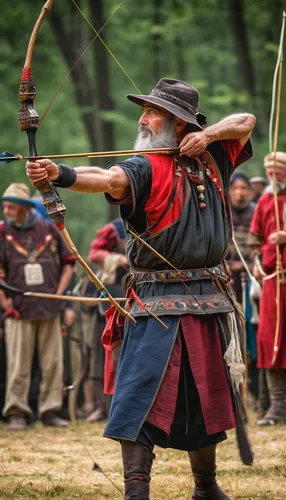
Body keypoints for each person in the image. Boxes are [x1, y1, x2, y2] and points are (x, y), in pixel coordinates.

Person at [26, 78, 256, 500]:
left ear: (179, 122)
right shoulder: (144, 166)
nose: (142, 118)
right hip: (156, 304)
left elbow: (246, 121)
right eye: (145, 110)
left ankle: (206, 488)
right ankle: (137, 493)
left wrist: (208, 135)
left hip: (209, 298)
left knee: (207, 401)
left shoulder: (213, 157)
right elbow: (107, 178)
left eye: (153, 112)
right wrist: (61, 173)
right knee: (139, 398)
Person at [0, 183, 75, 431]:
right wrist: (5, 302)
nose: (6, 210)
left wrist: (59, 295)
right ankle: (17, 412)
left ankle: (50, 410)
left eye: (10, 206)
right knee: (18, 364)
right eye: (6, 206)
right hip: (18, 307)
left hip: (49, 306)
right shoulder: (2, 232)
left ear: (23, 208)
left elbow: (68, 262)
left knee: (53, 363)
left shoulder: (48, 228)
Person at [249, 151, 286, 426]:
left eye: (279, 170)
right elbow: (254, 239)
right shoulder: (264, 200)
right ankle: (276, 407)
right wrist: (256, 261)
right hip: (272, 281)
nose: (274, 175)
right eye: (270, 171)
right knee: (271, 339)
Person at [83, 218, 128, 422]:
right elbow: (94, 254)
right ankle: (104, 407)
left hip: (140, 299)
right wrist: (117, 260)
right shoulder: (115, 228)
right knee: (104, 356)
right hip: (111, 300)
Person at [226, 173, 258, 408]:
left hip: (253, 281)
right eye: (236, 188)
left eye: (244, 188)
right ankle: (234, 395)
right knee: (230, 335)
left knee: (252, 333)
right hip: (225, 281)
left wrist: (252, 265)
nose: (240, 193)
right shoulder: (221, 210)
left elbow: (260, 244)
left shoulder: (256, 211)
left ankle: (257, 393)